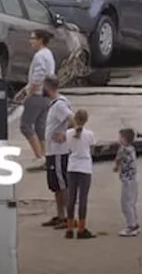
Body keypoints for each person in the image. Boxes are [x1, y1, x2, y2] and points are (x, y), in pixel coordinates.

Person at [14, 30, 56, 166]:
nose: (30, 41)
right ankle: (46, 155)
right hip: (46, 95)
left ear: (40, 40)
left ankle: (39, 156)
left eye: (33, 38)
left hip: (37, 95)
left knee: (25, 125)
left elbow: (38, 77)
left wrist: (27, 94)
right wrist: (23, 90)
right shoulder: (48, 54)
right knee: (40, 126)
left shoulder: (39, 56)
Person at [42, 76, 73, 228]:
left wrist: (66, 134)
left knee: (62, 185)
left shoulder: (60, 105)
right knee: (55, 185)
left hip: (59, 151)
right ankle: (61, 215)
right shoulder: (54, 104)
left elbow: (72, 120)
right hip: (52, 152)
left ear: (47, 87)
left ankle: (68, 216)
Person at [65, 109, 96, 239]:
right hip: (85, 167)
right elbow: (92, 149)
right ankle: (82, 229)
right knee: (83, 198)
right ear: (86, 120)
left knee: (71, 197)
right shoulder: (89, 134)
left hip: (72, 166)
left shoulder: (68, 133)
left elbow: (68, 148)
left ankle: (70, 228)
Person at [114, 127, 140, 236]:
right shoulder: (131, 148)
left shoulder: (124, 149)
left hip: (127, 180)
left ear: (124, 139)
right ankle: (134, 222)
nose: (118, 139)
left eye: (120, 137)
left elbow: (119, 158)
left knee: (125, 203)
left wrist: (116, 165)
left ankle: (131, 226)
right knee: (132, 202)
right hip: (133, 179)